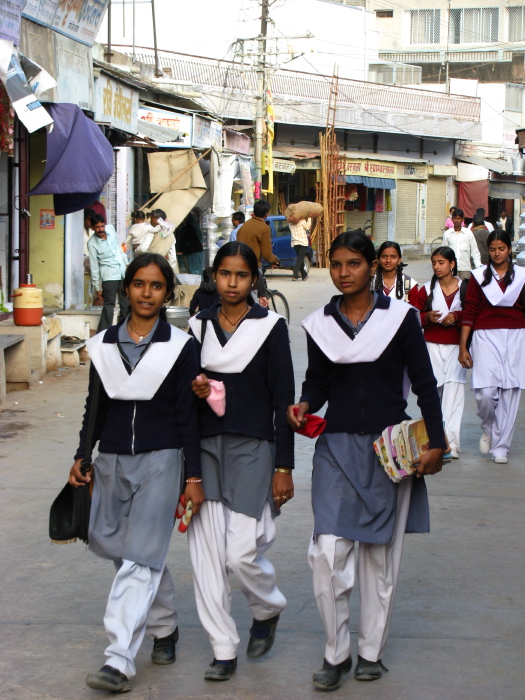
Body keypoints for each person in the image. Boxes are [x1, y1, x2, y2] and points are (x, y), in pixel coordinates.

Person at [287, 230, 446, 692]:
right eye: (336, 264)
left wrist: (435, 441)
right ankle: (334, 653)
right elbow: (317, 383)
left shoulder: (401, 319)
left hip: (389, 451)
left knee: (380, 561)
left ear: (372, 265)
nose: (343, 273)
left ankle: (371, 652)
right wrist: (305, 405)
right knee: (326, 553)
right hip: (335, 448)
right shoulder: (321, 324)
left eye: (353, 264)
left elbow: (424, 382)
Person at [68, 253, 204, 693]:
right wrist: (82, 454)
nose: (147, 293)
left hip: (162, 458)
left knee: (141, 553)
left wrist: (193, 476)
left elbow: (188, 414)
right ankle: (165, 626)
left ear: (168, 293)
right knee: (123, 552)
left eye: (157, 286)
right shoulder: (103, 343)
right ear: (126, 288)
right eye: (140, 284)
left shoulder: (180, 346)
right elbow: (97, 405)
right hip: (111, 459)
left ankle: (118, 658)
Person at [188, 241, 295, 682]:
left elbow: (283, 399)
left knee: (241, 553)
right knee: (206, 555)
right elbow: (180, 399)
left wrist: (284, 466)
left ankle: (267, 607)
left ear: (254, 280)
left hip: (254, 445)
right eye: (224, 274)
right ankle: (222, 647)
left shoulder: (271, 327)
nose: (232, 283)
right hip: (204, 446)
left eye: (242, 275)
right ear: (214, 276)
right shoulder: (196, 328)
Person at [459, 230, 525, 464]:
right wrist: (463, 346)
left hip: (516, 335)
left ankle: (501, 447)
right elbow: (469, 311)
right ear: (489, 250)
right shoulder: (478, 277)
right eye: (493, 249)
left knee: (510, 391)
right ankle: (489, 428)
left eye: (502, 249)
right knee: (485, 392)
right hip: (485, 335)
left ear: (509, 249)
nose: (497, 253)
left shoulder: (521, 277)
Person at [414, 247, 466, 459]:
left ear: (452, 264)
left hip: (455, 345)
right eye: (434, 262)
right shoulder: (425, 290)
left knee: (454, 394)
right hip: (431, 345)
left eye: (441, 262)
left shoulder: (466, 288)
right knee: (432, 394)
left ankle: (450, 443)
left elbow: (474, 313)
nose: (436, 266)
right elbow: (412, 317)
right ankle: (435, 440)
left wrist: (457, 316)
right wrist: (427, 318)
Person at [87, 214, 130, 332]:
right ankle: (104, 333)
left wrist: (126, 264)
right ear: (93, 228)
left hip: (122, 272)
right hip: (109, 275)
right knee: (109, 305)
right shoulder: (92, 243)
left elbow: (118, 249)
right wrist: (97, 286)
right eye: (97, 227)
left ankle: (124, 330)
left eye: (102, 226)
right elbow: (94, 266)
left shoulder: (110, 229)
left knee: (126, 304)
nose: (101, 229)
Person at [237, 200, 280, 306]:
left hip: (238, 264)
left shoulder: (244, 226)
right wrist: (275, 261)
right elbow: (266, 254)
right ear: (266, 213)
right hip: (252, 266)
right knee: (260, 297)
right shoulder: (264, 228)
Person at [443, 209, 481, 279]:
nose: (457, 220)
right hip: (451, 268)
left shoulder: (468, 233)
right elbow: (444, 252)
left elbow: (474, 251)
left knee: (465, 288)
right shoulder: (447, 234)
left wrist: (478, 266)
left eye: (459, 218)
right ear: (452, 219)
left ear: (462, 219)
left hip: (465, 268)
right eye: (455, 218)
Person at [289, 217, 311, 281]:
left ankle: (304, 275)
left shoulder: (290, 223)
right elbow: (307, 227)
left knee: (300, 259)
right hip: (303, 242)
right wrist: (309, 218)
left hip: (295, 242)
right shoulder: (302, 221)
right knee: (300, 259)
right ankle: (295, 275)